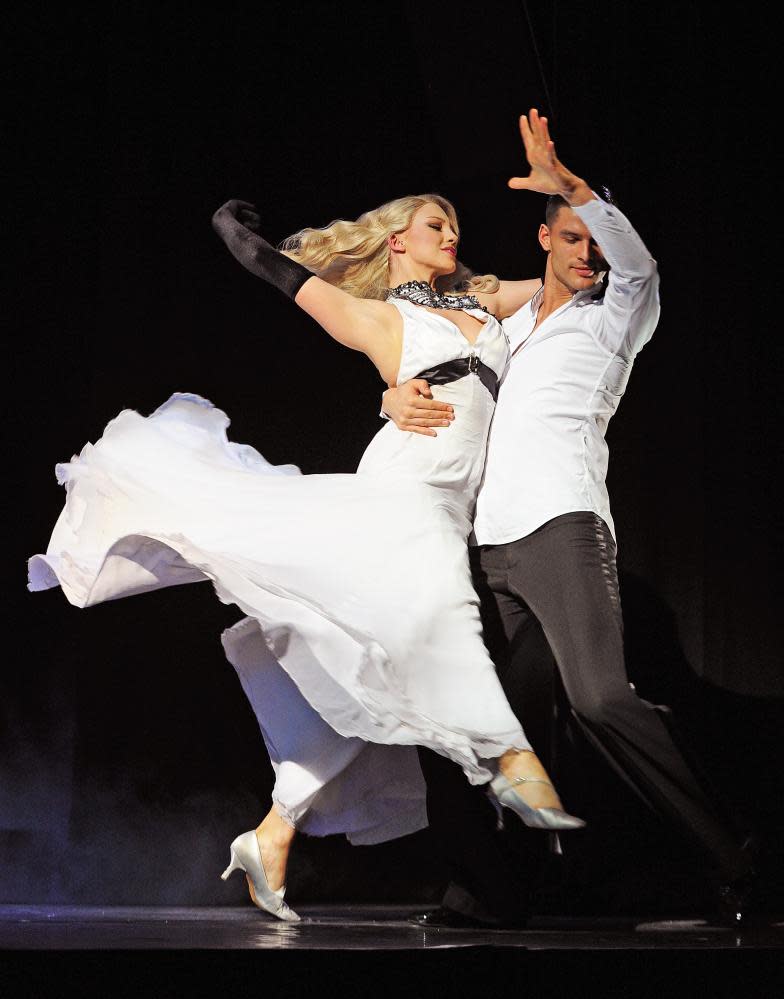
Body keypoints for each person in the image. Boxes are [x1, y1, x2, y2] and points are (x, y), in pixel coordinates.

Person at [28, 135, 586, 923]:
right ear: (395, 240)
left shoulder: (482, 299)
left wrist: (574, 202)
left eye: (453, 225)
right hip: (402, 497)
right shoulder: (381, 317)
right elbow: (289, 280)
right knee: (441, 628)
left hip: (452, 507)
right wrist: (234, 231)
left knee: (369, 679)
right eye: (434, 224)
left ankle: (274, 831)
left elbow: (569, 282)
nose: (450, 234)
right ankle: (514, 766)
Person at [382, 109, 755, 928]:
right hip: (492, 544)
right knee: (499, 725)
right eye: (573, 236)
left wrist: (574, 187)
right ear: (544, 241)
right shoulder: (506, 328)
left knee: (597, 700)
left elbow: (639, 263)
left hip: (563, 528)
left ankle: (736, 858)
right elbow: (421, 344)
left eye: (596, 239)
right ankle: (502, 883)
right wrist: (392, 391)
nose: (588, 252)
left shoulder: (615, 316)